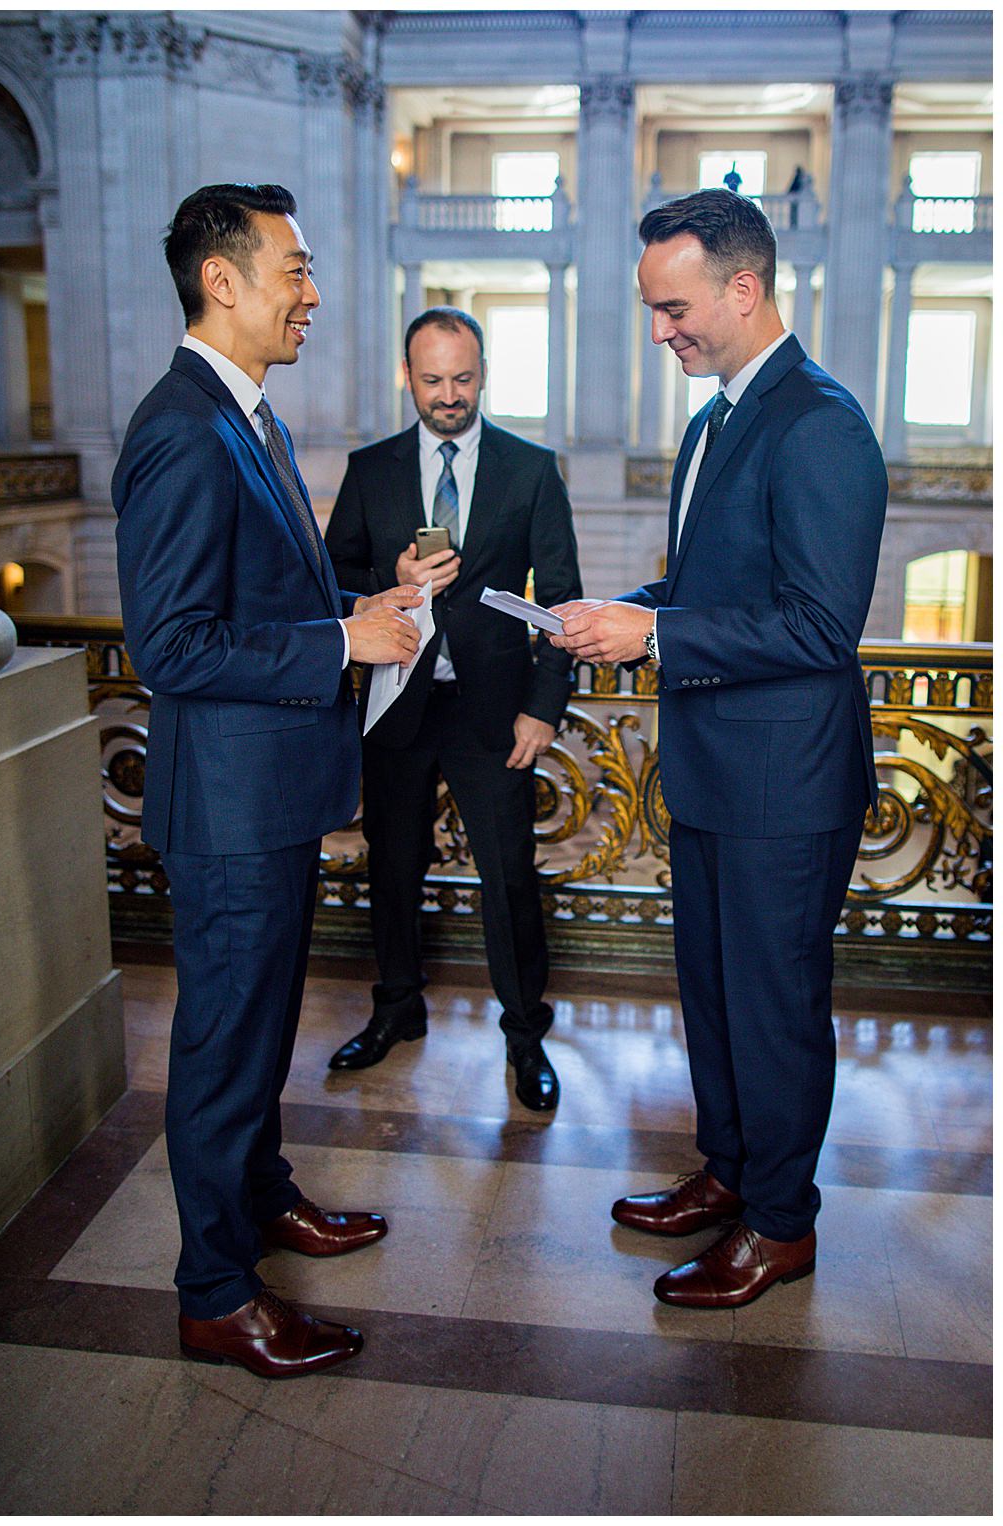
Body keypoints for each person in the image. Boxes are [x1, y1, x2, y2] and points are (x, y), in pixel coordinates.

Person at [550, 189, 887, 1308]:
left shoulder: (821, 423)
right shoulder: (711, 420)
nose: (661, 332)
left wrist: (658, 631)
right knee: (712, 991)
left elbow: (817, 623)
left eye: (674, 307)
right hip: (709, 768)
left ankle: (781, 1223)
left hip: (785, 784)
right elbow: (707, 591)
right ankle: (732, 1169)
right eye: (653, 310)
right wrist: (623, 608)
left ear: (745, 289)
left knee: (773, 1004)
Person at [113, 183, 424, 1377]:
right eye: (291, 269)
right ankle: (214, 1291)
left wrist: (358, 609)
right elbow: (174, 646)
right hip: (231, 808)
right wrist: (338, 646)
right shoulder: (182, 429)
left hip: (273, 798)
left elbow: (263, 603)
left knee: (258, 1032)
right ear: (222, 281)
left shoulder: (251, 415)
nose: (310, 292)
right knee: (224, 1046)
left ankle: (261, 1196)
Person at [324, 307, 582, 1112]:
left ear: (482, 373)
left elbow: (564, 601)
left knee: (508, 879)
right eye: (432, 380)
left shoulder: (532, 468)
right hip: (397, 709)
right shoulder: (370, 470)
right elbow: (328, 586)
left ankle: (525, 1036)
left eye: (463, 379)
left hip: (495, 714)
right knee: (392, 869)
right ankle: (396, 1011)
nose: (449, 396)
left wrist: (543, 708)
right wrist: (385, 583)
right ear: (409, 376)